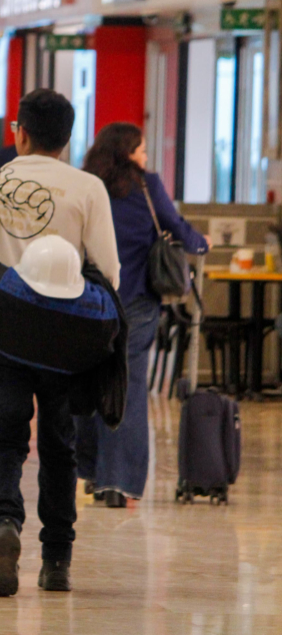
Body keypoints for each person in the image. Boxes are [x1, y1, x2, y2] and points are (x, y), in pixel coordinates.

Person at [0, 88, 120, 597]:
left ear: (20, 132)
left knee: (5, 443)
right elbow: (110, 272)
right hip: (67, 341)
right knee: (59, 449)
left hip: (3, 336)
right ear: (68, 139)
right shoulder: (88, 187)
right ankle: (57, 560)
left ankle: (4, 524)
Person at [77, 123, 209, 507]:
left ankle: (90, 472)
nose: (146, 156)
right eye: (142, 149)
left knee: (88, 381)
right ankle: (119, 484)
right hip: (135, 299)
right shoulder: (146, 186)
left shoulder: (87, 184)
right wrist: (202, 242)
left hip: (90, 298)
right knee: (129, 388)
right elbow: (175, 227)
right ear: (128, 152)